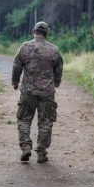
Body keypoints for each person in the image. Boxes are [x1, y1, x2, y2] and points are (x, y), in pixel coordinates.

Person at [12, 21, 63, 163]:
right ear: (46, 33)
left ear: (34, 32)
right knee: (45, 122)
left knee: (24, 119)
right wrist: (56, 82)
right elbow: (58, 69)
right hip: (47, 92)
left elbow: (16, 65)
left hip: (28, 91)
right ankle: (41, 152)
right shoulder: (54, 50)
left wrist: (15, 81)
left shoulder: (25, 47)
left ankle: (26, 146)